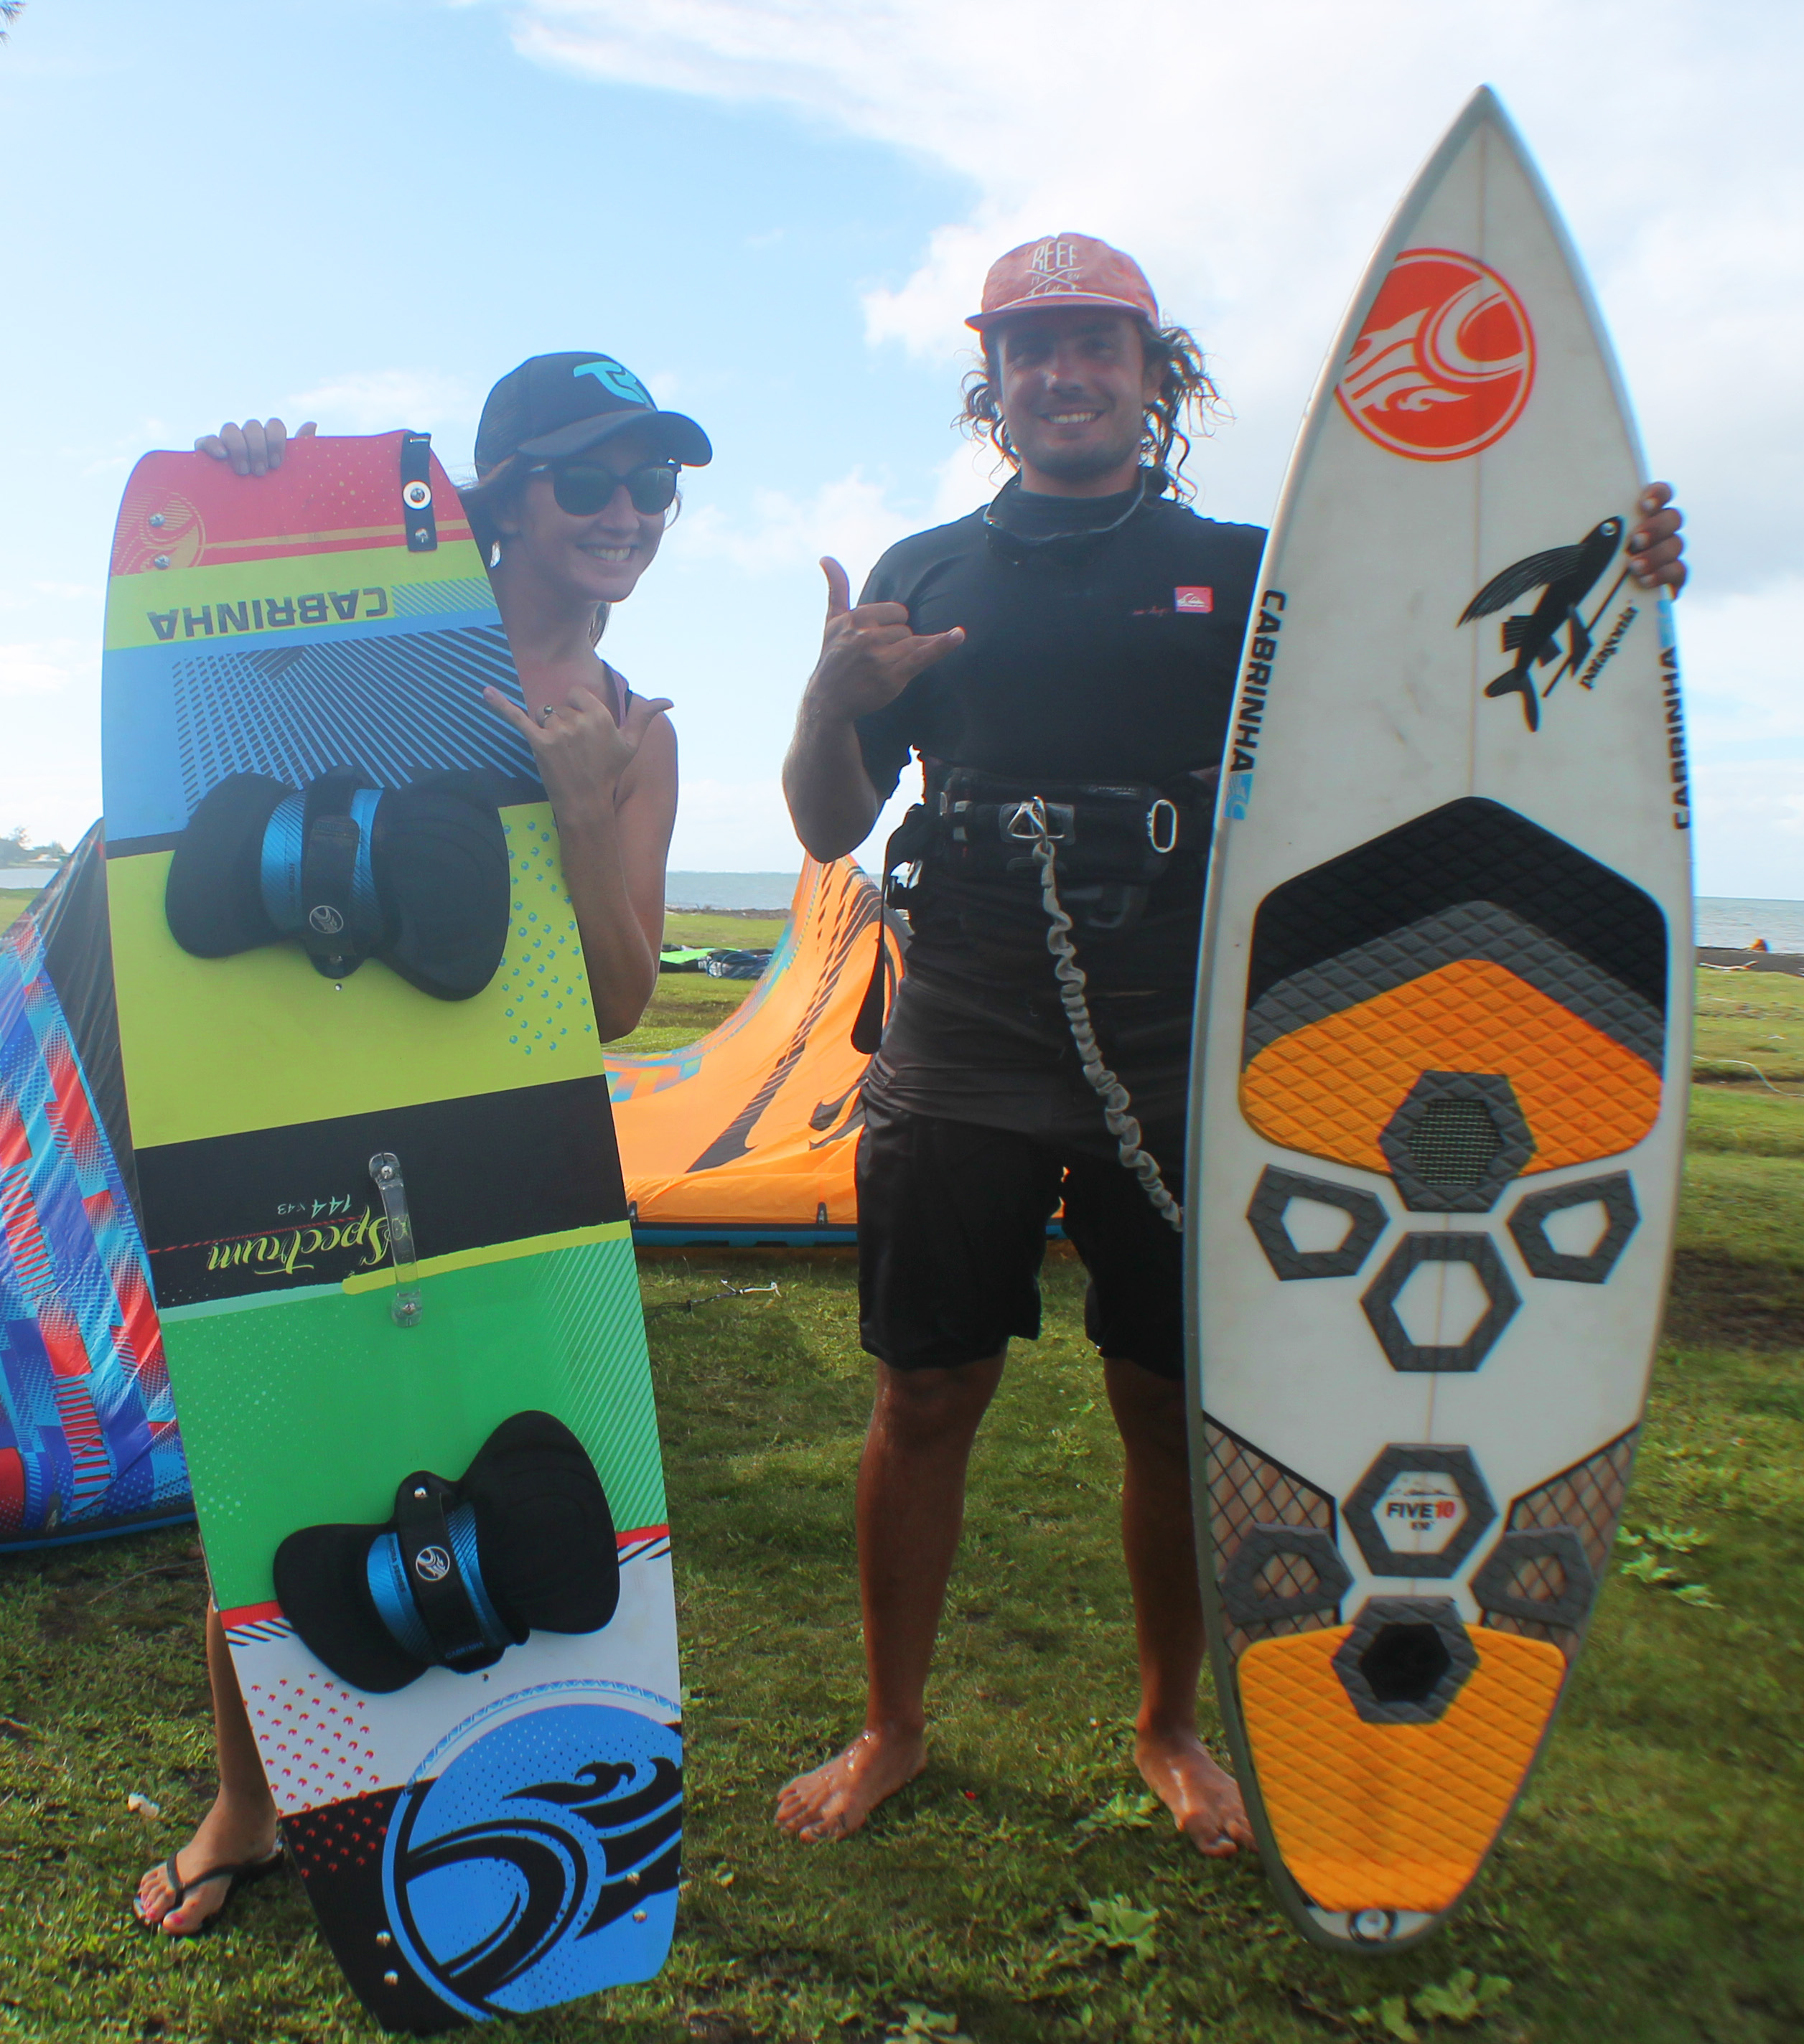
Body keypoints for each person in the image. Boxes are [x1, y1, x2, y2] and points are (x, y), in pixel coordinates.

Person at [772, 234, 1688, 1855]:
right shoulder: (928, 571)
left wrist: (1608, 574)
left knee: (1171, 1402)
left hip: (1187, 1035)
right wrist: (828, 702)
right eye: (1032, 348)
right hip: (970, 1022)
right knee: (925, 1393)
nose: (1063, 373)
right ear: (993, 383)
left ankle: (1171, 1723)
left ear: (1153, 374)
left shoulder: (1248, 567)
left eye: (1098, 347)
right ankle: (891, 1726)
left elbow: (1443, 684)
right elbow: (834, 822)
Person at [133, 354, 706, 1933]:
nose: (627, 513)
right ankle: (248, 1805)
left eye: (653, 484)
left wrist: (584, 809)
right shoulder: (366, 653)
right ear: (499, 495)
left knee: (512, 1468)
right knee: (282, 1466)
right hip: (299, 1122)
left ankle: (495, 1786)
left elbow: (608, 999)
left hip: (516, 1157)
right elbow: (206, 707)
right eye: (587, 479)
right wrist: (255, 485)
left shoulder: (638, 731)